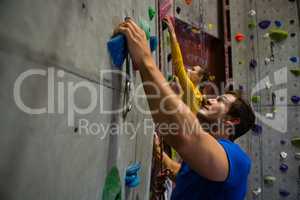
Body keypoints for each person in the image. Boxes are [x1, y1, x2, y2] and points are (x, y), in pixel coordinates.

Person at [114, 18, 255, 200]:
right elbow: (183, 170)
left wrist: (144, 58)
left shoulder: (239, 161)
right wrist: (160, 155)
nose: (210, 100)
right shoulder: (210, 158)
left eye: (220, 101)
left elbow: (187, 136)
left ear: (232, 121)